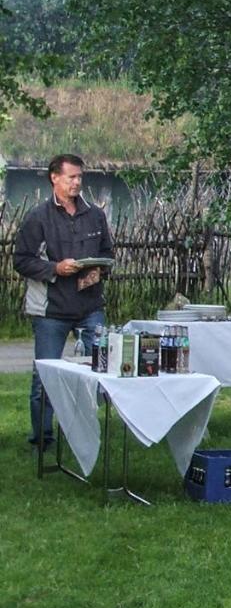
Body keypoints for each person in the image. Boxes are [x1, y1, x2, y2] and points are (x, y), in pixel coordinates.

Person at [13, 154, 114, 449]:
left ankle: (86, 436)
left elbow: (108, 253)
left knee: (100, 372)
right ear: (54, 178)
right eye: (71, 177)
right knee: (44, 377)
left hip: (90, 307)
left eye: (80, 177)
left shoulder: (95, 215)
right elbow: (21, 261)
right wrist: (55, 269)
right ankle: (42, 441)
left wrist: (98, 269)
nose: (77, 182)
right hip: (51, 311)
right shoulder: (38, 218)